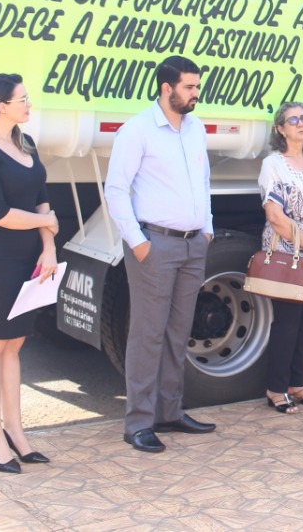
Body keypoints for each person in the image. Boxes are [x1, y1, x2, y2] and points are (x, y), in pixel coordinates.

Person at [106, 56, 216, 453]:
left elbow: (203, 180)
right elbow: (116, 190)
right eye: (188, 87)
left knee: (178, 332)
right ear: (166, 88)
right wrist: (138, 243)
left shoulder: (196, 128)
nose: (195, 94)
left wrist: (207, 228)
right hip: (156, 244)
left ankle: (170, 413)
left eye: (197, 87)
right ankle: (138, 423)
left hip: (192, 243)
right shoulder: (136, 131)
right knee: (147, 334)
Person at [0, 74, 59, 473]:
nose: (29, 104)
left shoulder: (26, 142)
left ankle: (17, 433)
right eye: (23, 99)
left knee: (14, 346)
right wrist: (50, 221)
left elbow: (40, 199)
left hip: (30, 261)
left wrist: (49, 245)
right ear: (2, 104)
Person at [258, 103, 303, 413]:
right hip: (289, 257)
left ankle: (297, 384)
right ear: (281, 129)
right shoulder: (273, 164)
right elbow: (275, 217)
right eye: (293, 120)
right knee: (287, 324)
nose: (301, 124)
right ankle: (275, 389)